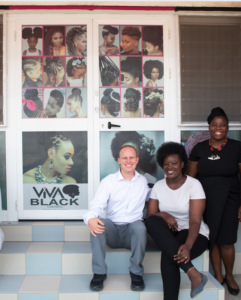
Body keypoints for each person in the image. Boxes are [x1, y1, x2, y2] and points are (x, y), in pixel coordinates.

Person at [187, 107, 241, 296]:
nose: (218, 128)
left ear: (227, 127)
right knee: (213, 238)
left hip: (230, 198)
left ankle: (230, 275)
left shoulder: (237, 147)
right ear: (209, 127)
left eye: (223, 125)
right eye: (214, 124)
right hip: (205, 200)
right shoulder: (199, 148)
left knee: (227, 241)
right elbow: (190, 179)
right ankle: (218, 275)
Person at [145, 142, 209, 300]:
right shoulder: (159, 186)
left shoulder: (193, 185)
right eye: (166, 163)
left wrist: (187, 246)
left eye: (174, 163)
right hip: (170, 233)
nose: (169, 167)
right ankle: (194, 273)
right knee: (152, 221)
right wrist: (164, 214)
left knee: (169, 257)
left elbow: (195, 221)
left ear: (182, 164)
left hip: (194, 234)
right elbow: (151, 216)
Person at [83, 145, 149, 292]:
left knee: (140, 226)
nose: (128, 161)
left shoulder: (143, 181)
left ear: (137, 160)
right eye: (124, 158)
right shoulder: (108, 181)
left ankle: (136, 273)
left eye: (131, 157)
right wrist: (90, 219)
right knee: (98, 223)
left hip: (131, 233)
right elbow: (96, 205)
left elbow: (156, 197)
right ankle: (99, 273)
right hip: (113, 230)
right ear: (119, 160)